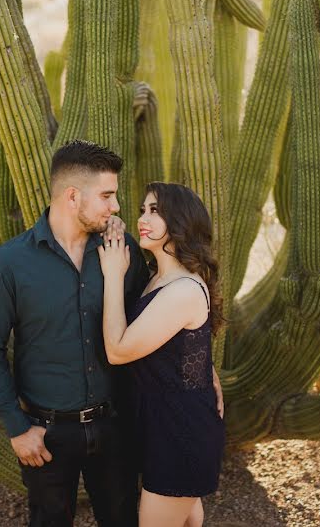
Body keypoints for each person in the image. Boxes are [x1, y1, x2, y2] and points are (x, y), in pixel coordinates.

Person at [0, 140, 150, 526]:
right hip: (45, 434)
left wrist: (202, 374)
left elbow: (152, 319)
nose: (116, 206)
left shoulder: (120, 249)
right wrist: (17, 428)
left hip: (113, 425)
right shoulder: (11, 263)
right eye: (107, 195)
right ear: (73, 196)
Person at [98, 182, 226, 527]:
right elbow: (186, 347)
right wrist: (209, 376)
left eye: (155, 211)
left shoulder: (182, 289)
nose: (143, 217)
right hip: (167, 426)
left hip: (180, 436)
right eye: (142, 210)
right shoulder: (160, 280)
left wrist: (112, 274)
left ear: (181, 221)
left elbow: (119, 351)